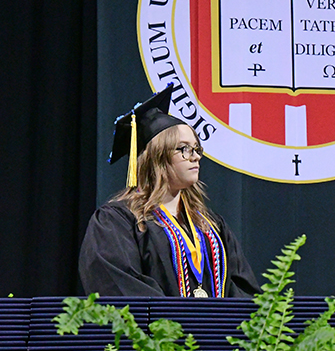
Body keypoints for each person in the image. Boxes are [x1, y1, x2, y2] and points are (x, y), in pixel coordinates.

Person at [79, 84, 260, 297]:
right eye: (184, 149)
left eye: (197, 149)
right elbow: (120, 288)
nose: (196, 156)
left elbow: (243, 292)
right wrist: (176, 326)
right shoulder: (118, 222)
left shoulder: (212, 226)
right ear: (156, 158)